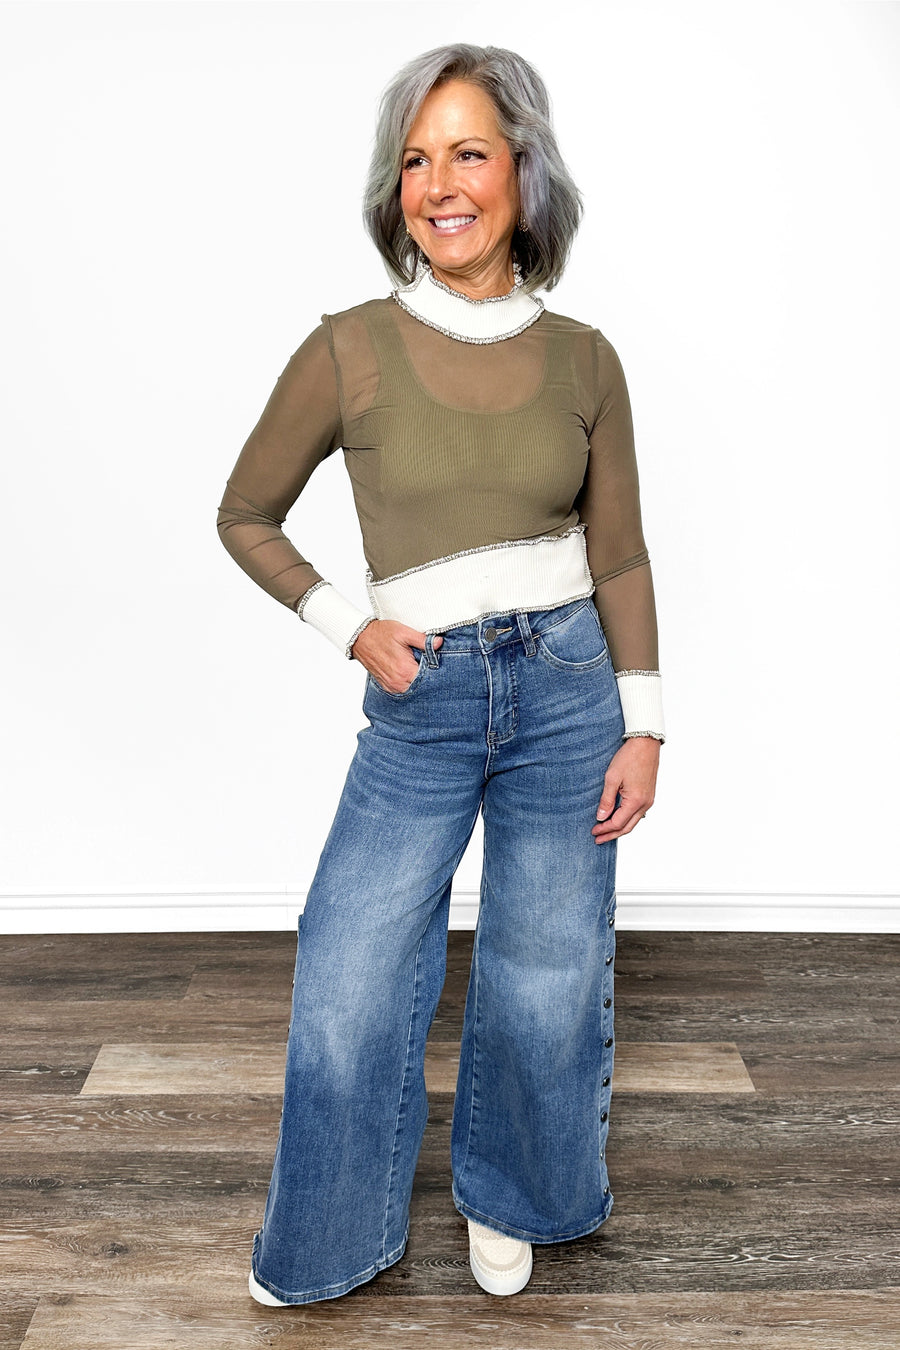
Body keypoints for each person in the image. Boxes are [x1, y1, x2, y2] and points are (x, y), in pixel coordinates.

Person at [216, 42, 665, 1307]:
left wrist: (644, 724)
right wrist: (347, 625)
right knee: (349, 964)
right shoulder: (349, 348)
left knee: (547, 967)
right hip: (424, 698)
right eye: (416, 160)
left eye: (469, 152)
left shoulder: (586, 359)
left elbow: (620, 554)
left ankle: (517, 1196)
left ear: (524, 172)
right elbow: (245, 513)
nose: (439, 185)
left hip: (570, 687)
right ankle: (332, 1237)